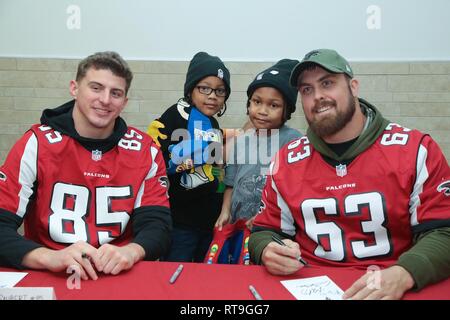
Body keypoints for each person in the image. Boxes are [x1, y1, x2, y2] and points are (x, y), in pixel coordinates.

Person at [249, 49, 450, 299]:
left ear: (353, 86)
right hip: (310, 285)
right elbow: (263, 231)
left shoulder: (415, 150)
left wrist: (405, 273)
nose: (318, 96)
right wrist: (267, 249)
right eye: (307, 90)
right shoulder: (287, 160)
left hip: (391, 285)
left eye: (327, 83)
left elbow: (443, 231)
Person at [0, 51, 172, 280]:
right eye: (96, 88)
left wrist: (131, 251)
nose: (105, 100)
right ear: (74, 88)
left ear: (125, 102)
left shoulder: (145, 151)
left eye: (116, 93)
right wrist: (48, 257)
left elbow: (158, 225)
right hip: (50, 273)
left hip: (117, 273)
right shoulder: (36, 144)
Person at [147, 52, 230, 262]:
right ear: (191, 89)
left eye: (220, 91)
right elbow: (160, 165)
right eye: (205, 88)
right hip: (181, 221)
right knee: (176, 276)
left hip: (208, 218)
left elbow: (215, 170)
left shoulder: (212, 122)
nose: (213, 96)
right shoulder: (175, 115)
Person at [215, 59, 302, 232]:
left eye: (273, 105)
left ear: (287, 110)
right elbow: (231, 183)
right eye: (257, 102)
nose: (263, 110)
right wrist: (225, 212)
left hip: (272, 230)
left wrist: (269, 216)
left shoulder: (293, 142)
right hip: (237, 227)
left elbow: (296, 190)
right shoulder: (240, 141)